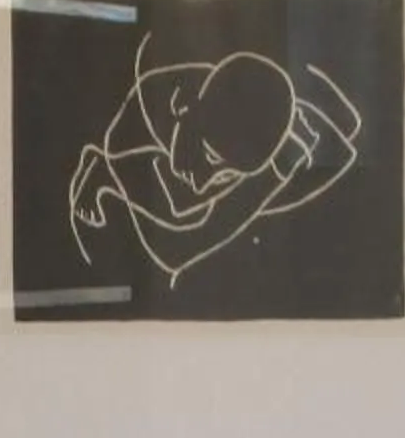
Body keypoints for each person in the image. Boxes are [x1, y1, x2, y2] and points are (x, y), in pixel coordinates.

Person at [64, 41, 360, 289]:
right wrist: (273, 175)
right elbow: (175, 241)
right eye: (209, 158)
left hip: (222, 137)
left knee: (244, 190)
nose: (205, 183)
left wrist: (269, 169)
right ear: (184, 105)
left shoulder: (241, 138)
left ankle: (250, 166)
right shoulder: (153, 109)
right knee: (175, 241)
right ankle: (101, 168)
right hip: (136, 143)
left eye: (224, 175)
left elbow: (344, 150)